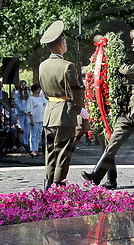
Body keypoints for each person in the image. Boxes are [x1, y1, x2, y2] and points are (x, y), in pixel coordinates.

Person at [82, 29, 134, 194]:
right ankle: (97, 175)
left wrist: (118, 65)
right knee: (113, 142)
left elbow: (130, 72)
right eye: (133, 47)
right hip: (130, 109)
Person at [39, 20, 85, 190]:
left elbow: (45, 91)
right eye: (65, 41)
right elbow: (76, 92)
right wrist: (80, 108)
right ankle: (58, 186)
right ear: (60, 45)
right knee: (64, 152)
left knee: (50, 152)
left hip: (49, 113)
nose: (66, 44)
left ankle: (48, 184)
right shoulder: (68, 66)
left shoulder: (43, 66)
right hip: (65, 114)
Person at [25, 84, 47, 157]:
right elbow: (28, 110)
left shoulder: (40, 98)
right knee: (33, 135)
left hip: (41, 118)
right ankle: (33, 150)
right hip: (34, 119)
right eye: (38, 89)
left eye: (39, 89)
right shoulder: (30, 98)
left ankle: (36, 149)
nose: (39, 91)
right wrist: (31, 119)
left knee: (38, 134)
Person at [14, 80, 30, 148]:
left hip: (26, 112)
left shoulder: (27, 92)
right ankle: (21, 143)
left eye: (24, 84)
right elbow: (17, 102)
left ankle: (25, 142)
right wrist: (22, 110)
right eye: (22, 84)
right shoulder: (17, 92)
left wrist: (27, 110)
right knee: (21, 127)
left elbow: (29, 101)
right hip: (20, 113)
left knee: (27, 127)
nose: (23, 86)